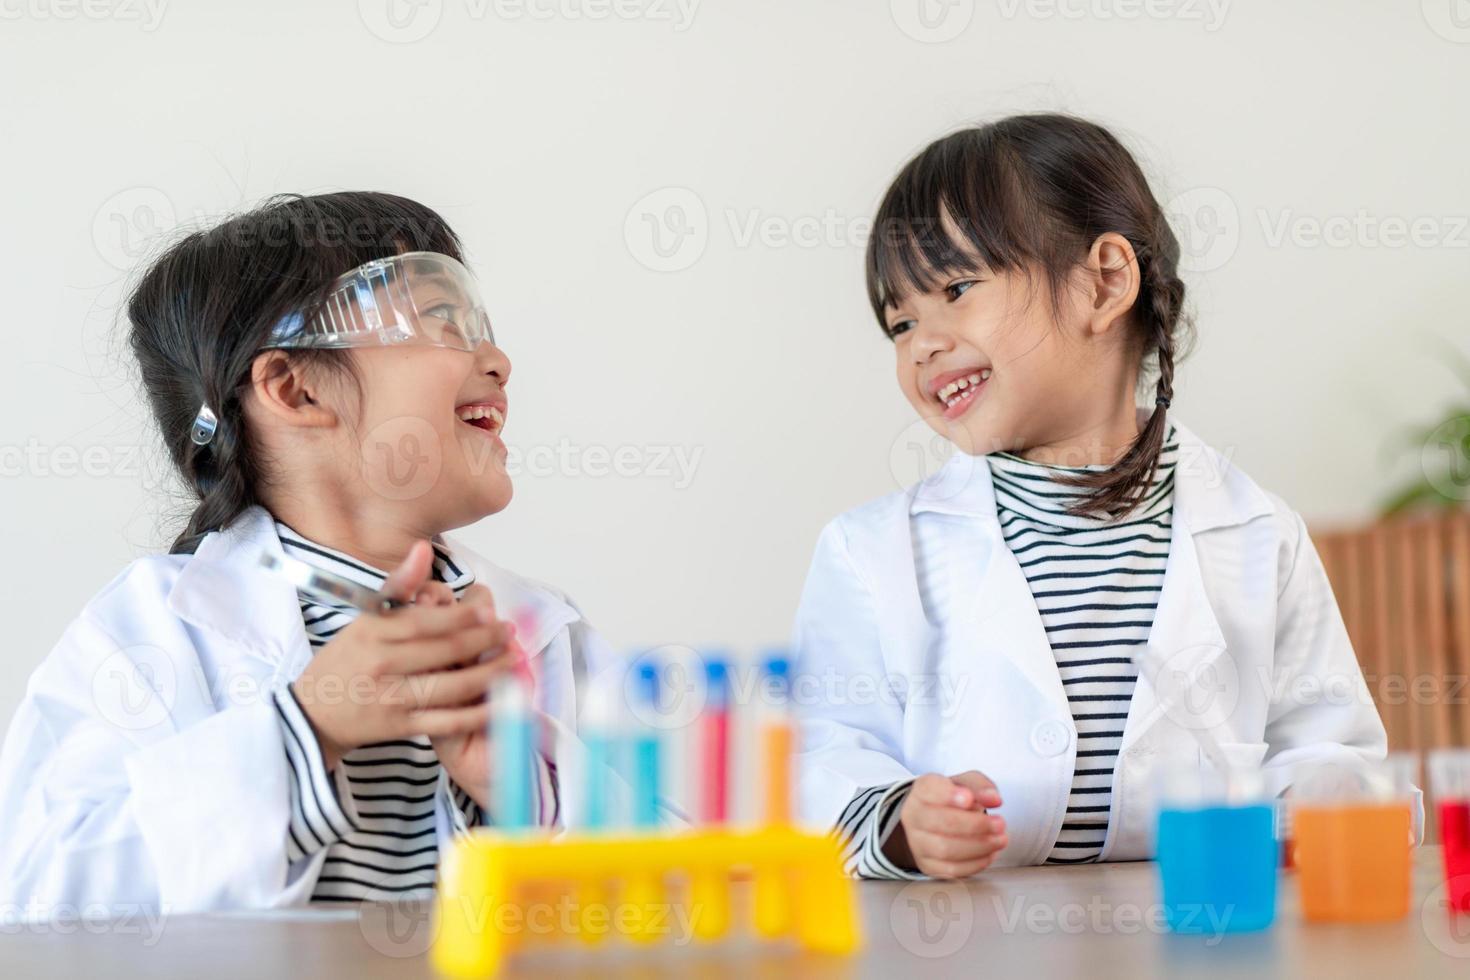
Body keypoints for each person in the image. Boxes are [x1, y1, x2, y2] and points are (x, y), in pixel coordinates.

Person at [793, 114, 1396, 879]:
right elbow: (824, 748)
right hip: (968, 945)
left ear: (1105, 282)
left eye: (956, 288)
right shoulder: (871, 553)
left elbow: (1327, 747)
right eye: (900, 321)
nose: (922, 343)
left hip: (1194, 934)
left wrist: (1306, 809)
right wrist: (900, 820)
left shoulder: (1256, 533)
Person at [0, 192, 614, 911]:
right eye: (441, 317)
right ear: (293, 390)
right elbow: (40, 896)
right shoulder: (150, 631)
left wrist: (526, 785)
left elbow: (695, 879)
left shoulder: (543, 632)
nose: (498, 360)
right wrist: (307, 726)